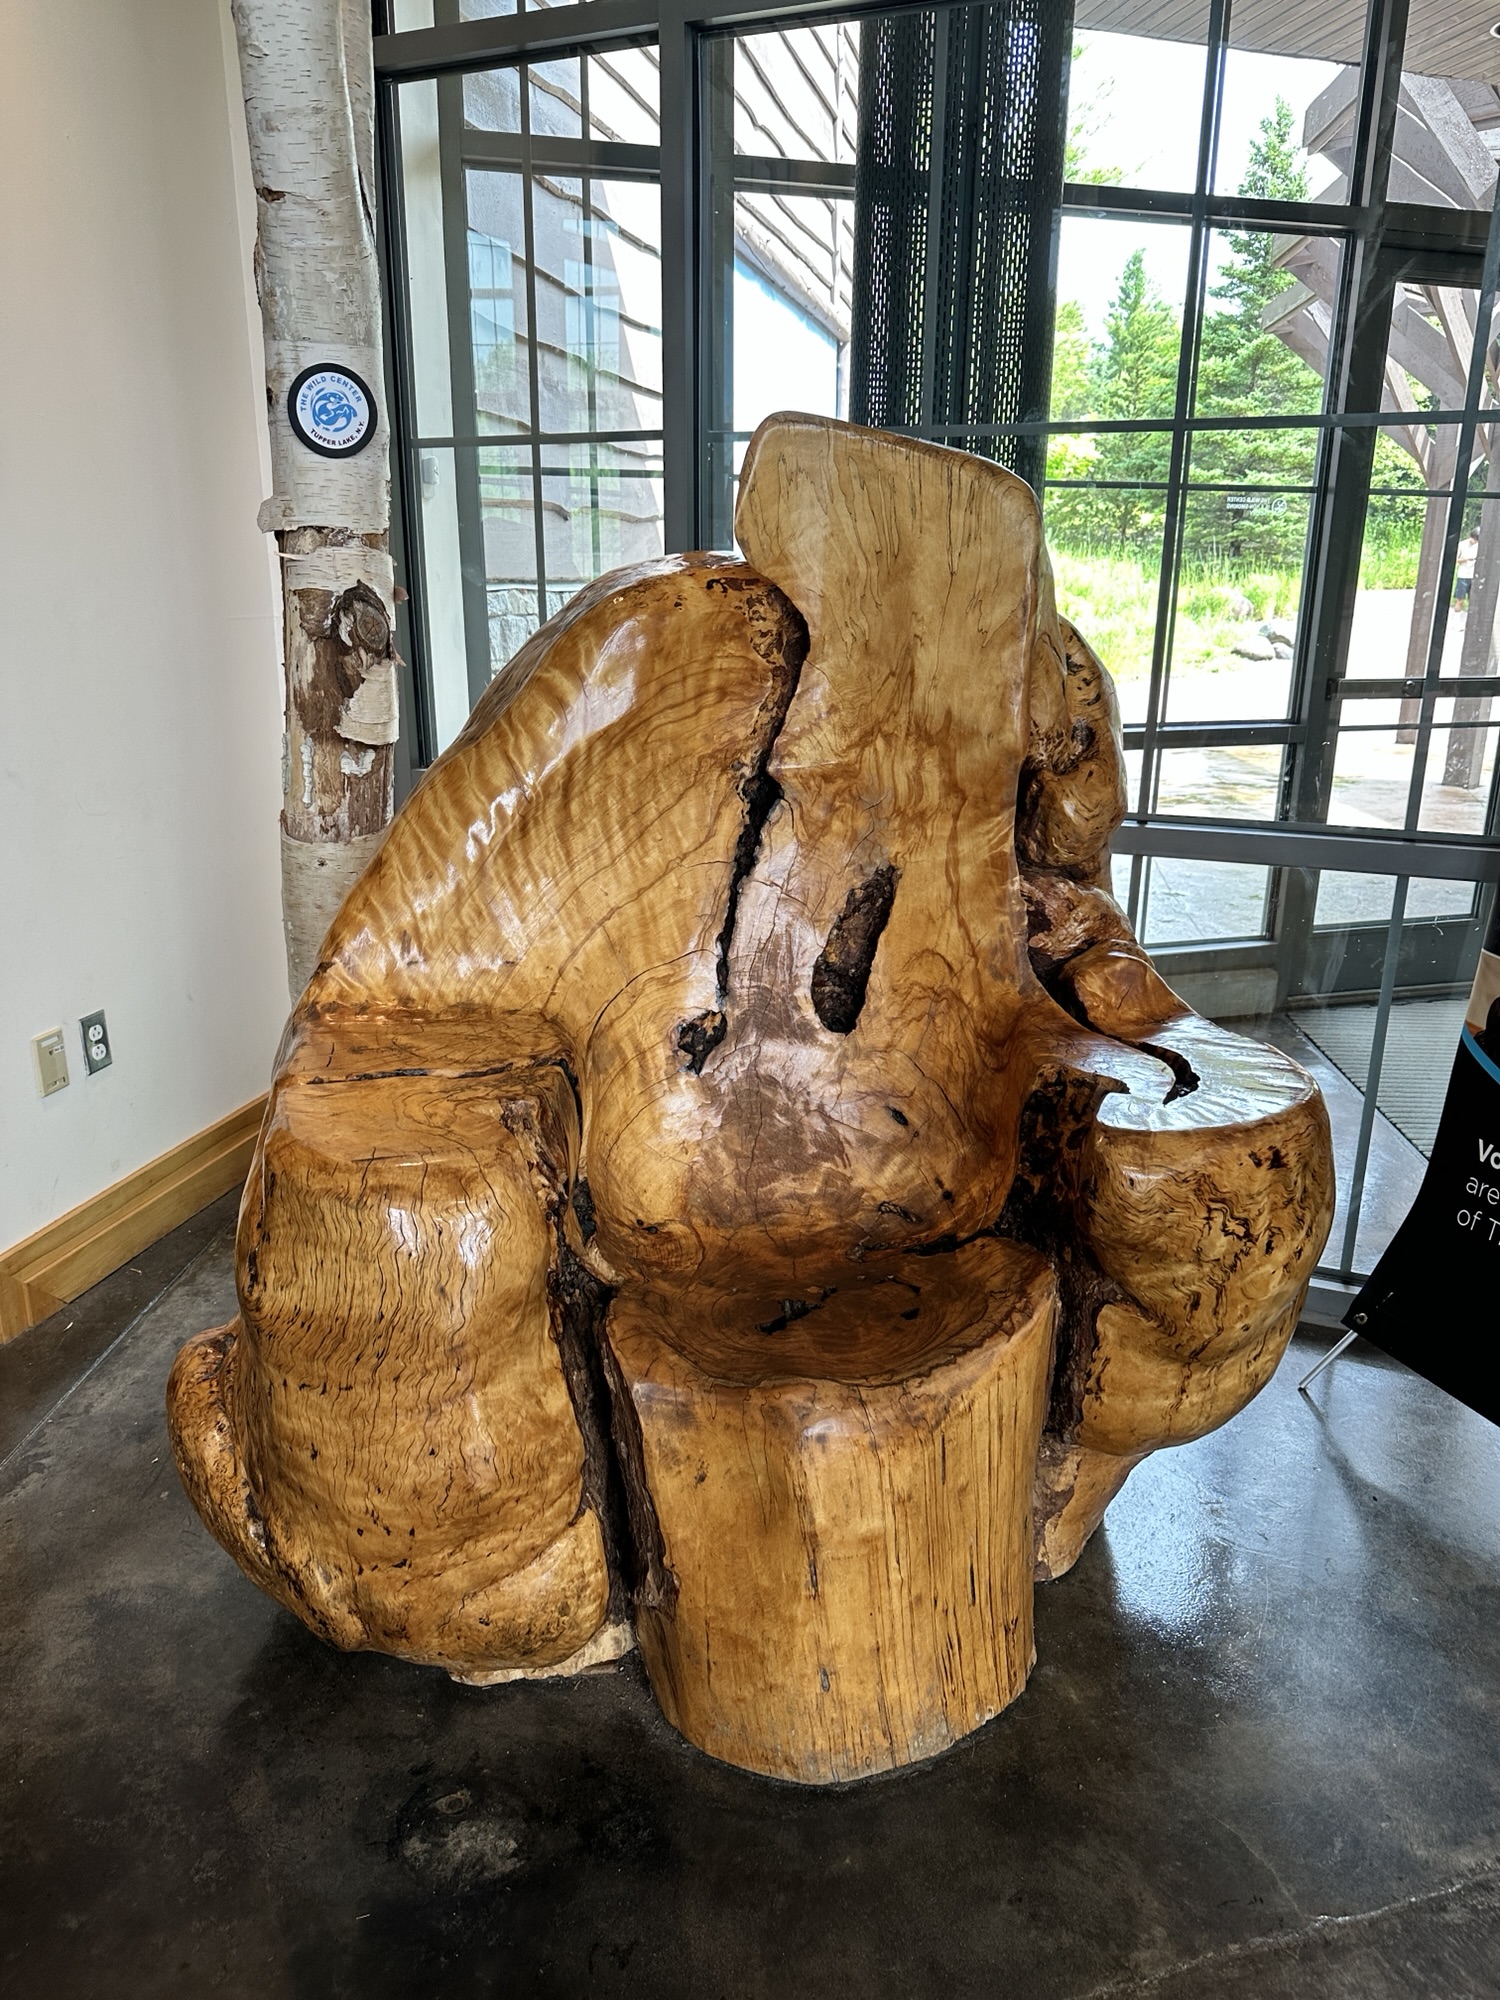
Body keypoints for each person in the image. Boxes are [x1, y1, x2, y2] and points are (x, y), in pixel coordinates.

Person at [1455, 531, 1479, 608]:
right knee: (1459, 600)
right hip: (1463, 574)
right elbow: (1456, 560)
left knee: (1473, 601)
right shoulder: (1462, 544)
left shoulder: (1479, 546)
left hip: (1474, 575)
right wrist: (1467, 559)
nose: (1474, 541)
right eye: (1473, 539)